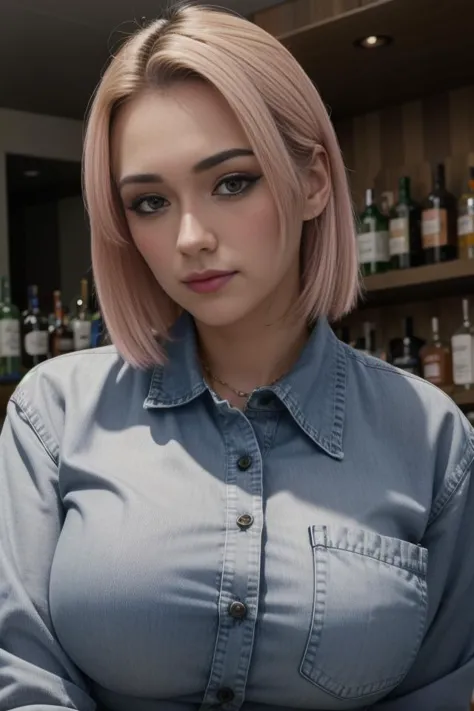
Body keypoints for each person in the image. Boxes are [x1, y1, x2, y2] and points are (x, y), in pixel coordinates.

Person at [0, 4, 473, 711]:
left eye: (231, 182)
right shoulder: (54, 413)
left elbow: (439, 687)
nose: (190, 236)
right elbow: (23, 674)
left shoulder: (432, 437)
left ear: (313, 181)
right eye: (151, 201)